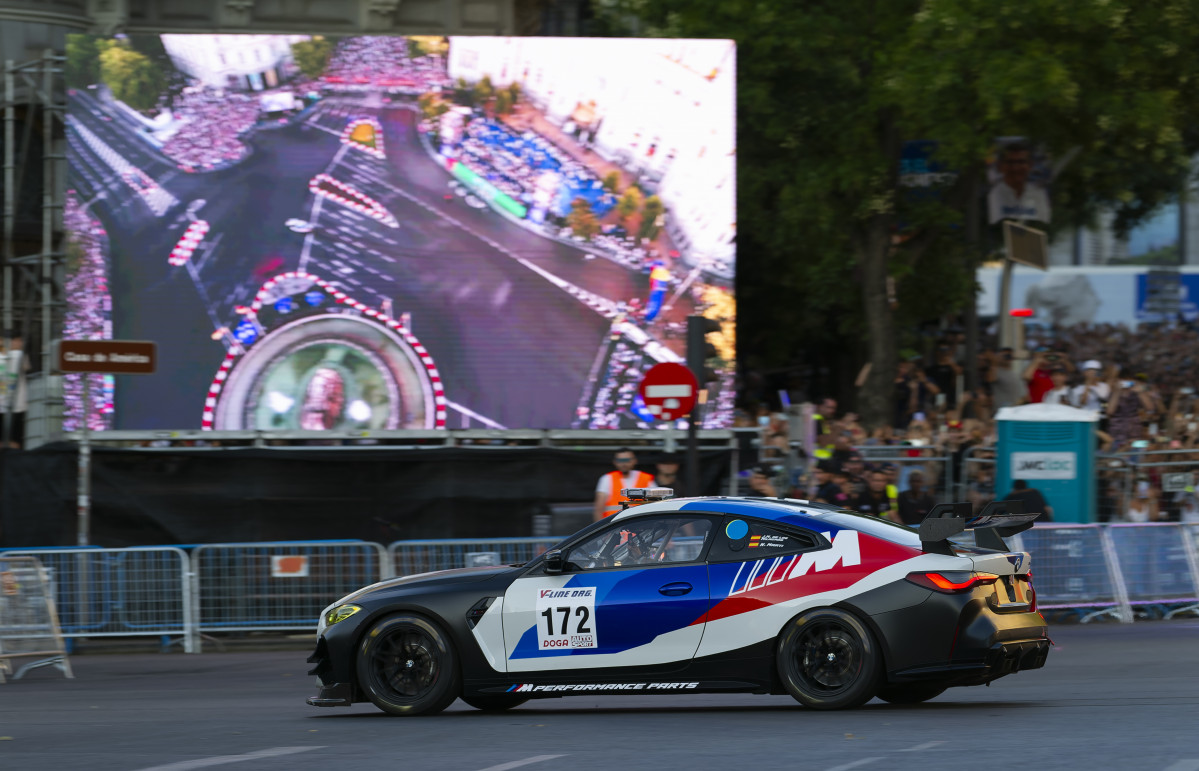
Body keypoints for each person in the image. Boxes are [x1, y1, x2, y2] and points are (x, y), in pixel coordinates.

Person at [988, 142, 1051, 224]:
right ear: (1002, 166)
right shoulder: (994, 195)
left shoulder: (1039, 194)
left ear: (1030, 165)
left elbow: (1044, 224)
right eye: (1010, 162)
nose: (1015, 168)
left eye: (1021, 162)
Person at [593, 448, 655, 520]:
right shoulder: (607, 479)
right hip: (613, 525)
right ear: (615, 462)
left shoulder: (645, 478)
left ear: (635, 461)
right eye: (620, 460)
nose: (624, 464)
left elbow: (656, 503)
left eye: (627, 460)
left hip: (640, 524)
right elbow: (599, 509)